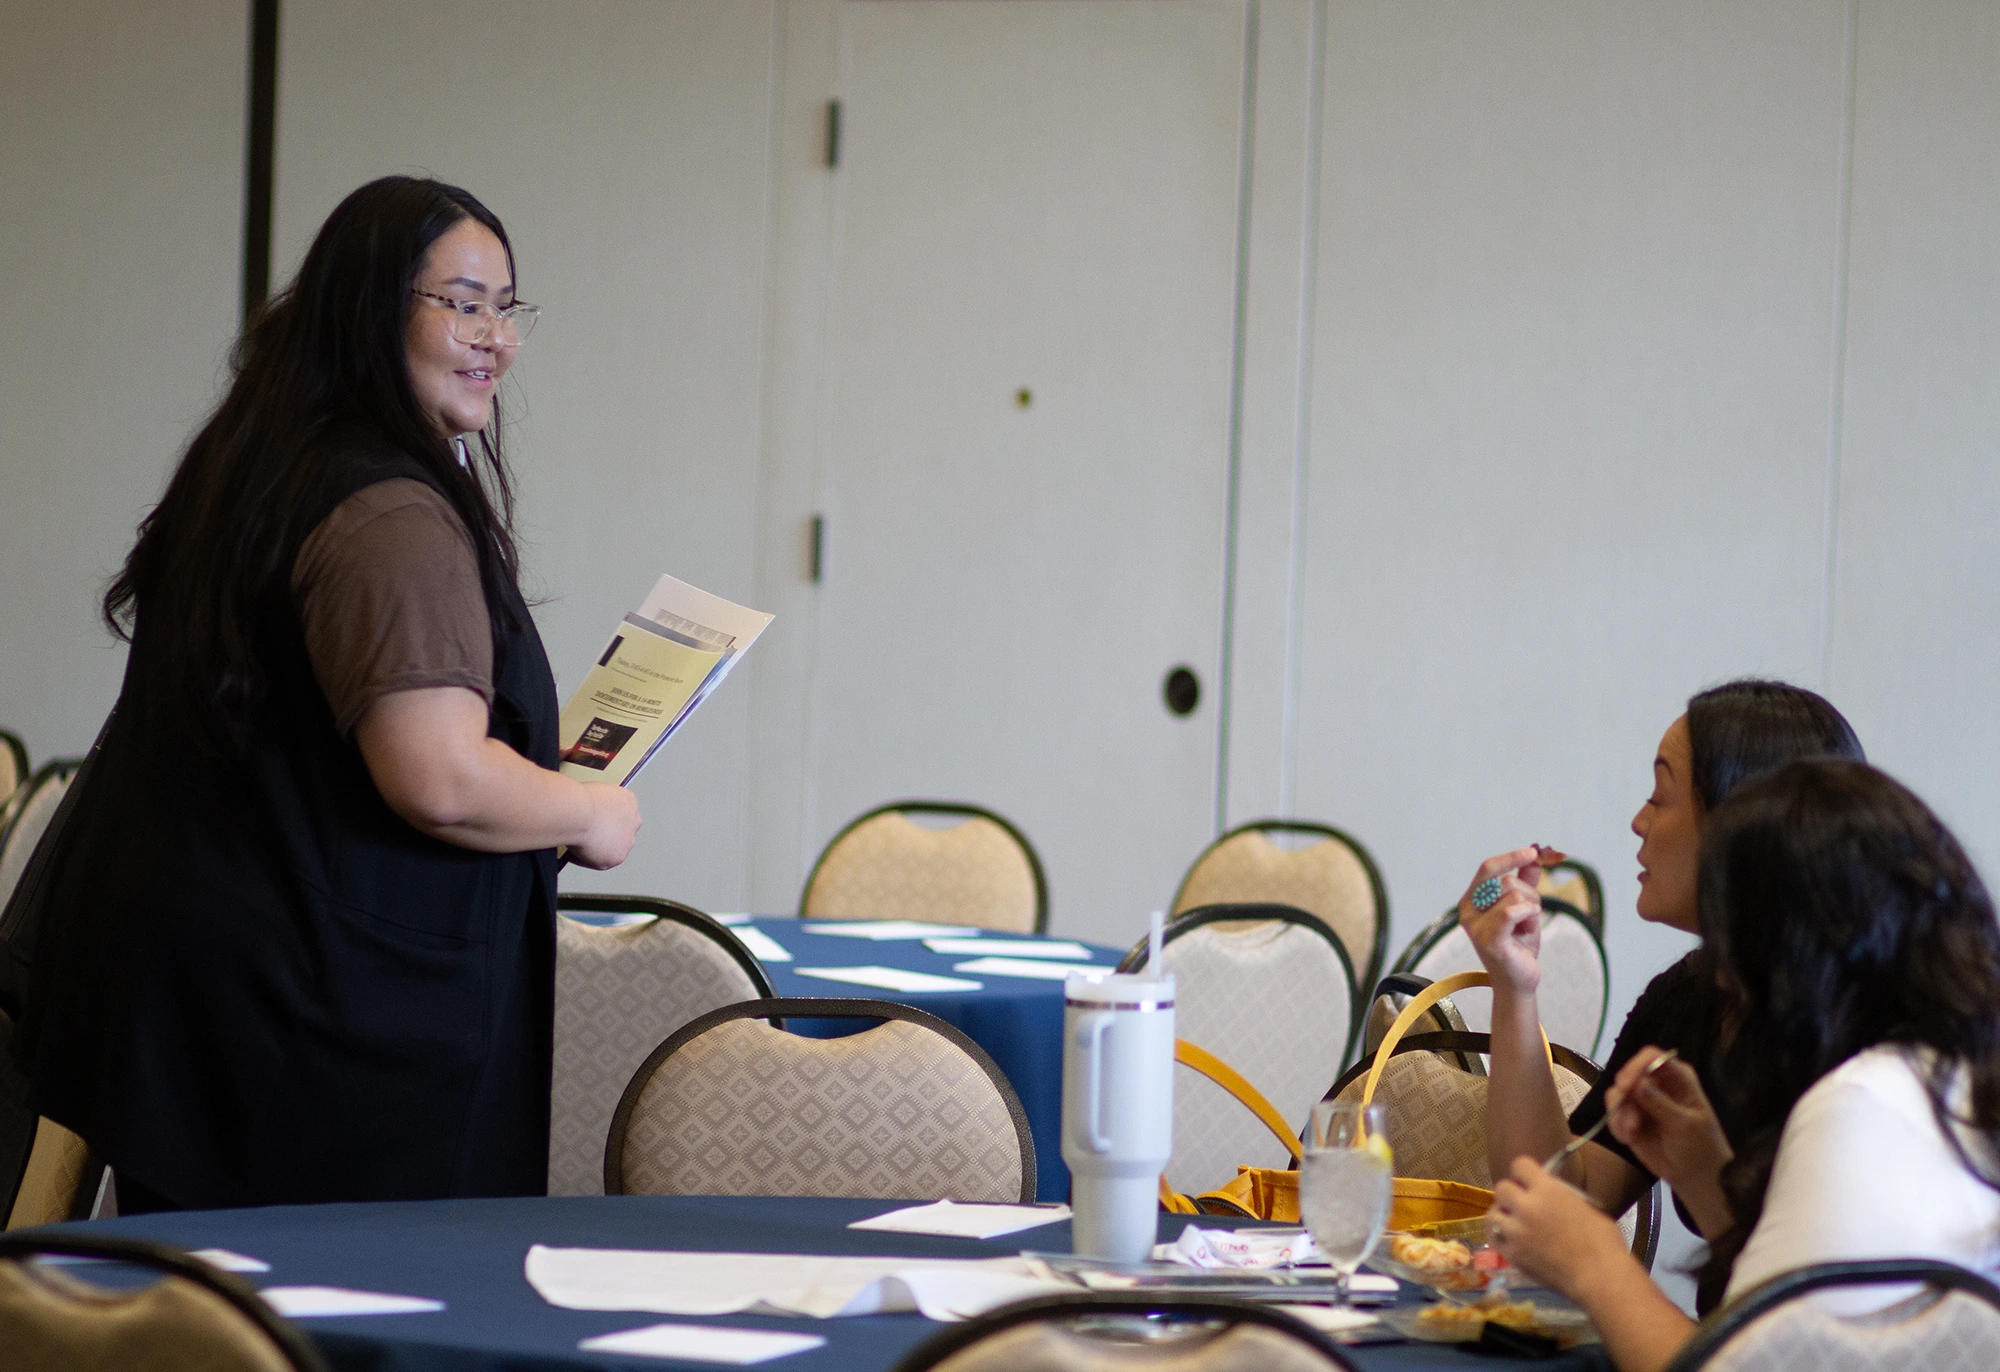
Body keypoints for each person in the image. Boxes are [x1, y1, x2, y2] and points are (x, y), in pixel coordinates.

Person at [13, 176, 642, 1211]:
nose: (496, 337)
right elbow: (436, 774)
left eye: (506, 307)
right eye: (463, 302)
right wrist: (590, 807)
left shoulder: (263, 461)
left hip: (204, 1008)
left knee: (210, 1319)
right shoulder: (389, 510)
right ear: (369, 309)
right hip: (315, 1033)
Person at [1488, 759, 2000, 1371]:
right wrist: (1706, 1175)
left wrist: (1594, 1261)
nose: (1722, 975)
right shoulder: (1943, 1076)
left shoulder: (1861, 1109)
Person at [1457, 680, 1862, 1241]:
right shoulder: (1690, 999)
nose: (1638, 822)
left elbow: (1804, 1287)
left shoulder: (1861, 1031)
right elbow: (1557, 1196)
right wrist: (1513, 986)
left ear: (1740, 824)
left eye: (1659, 796)